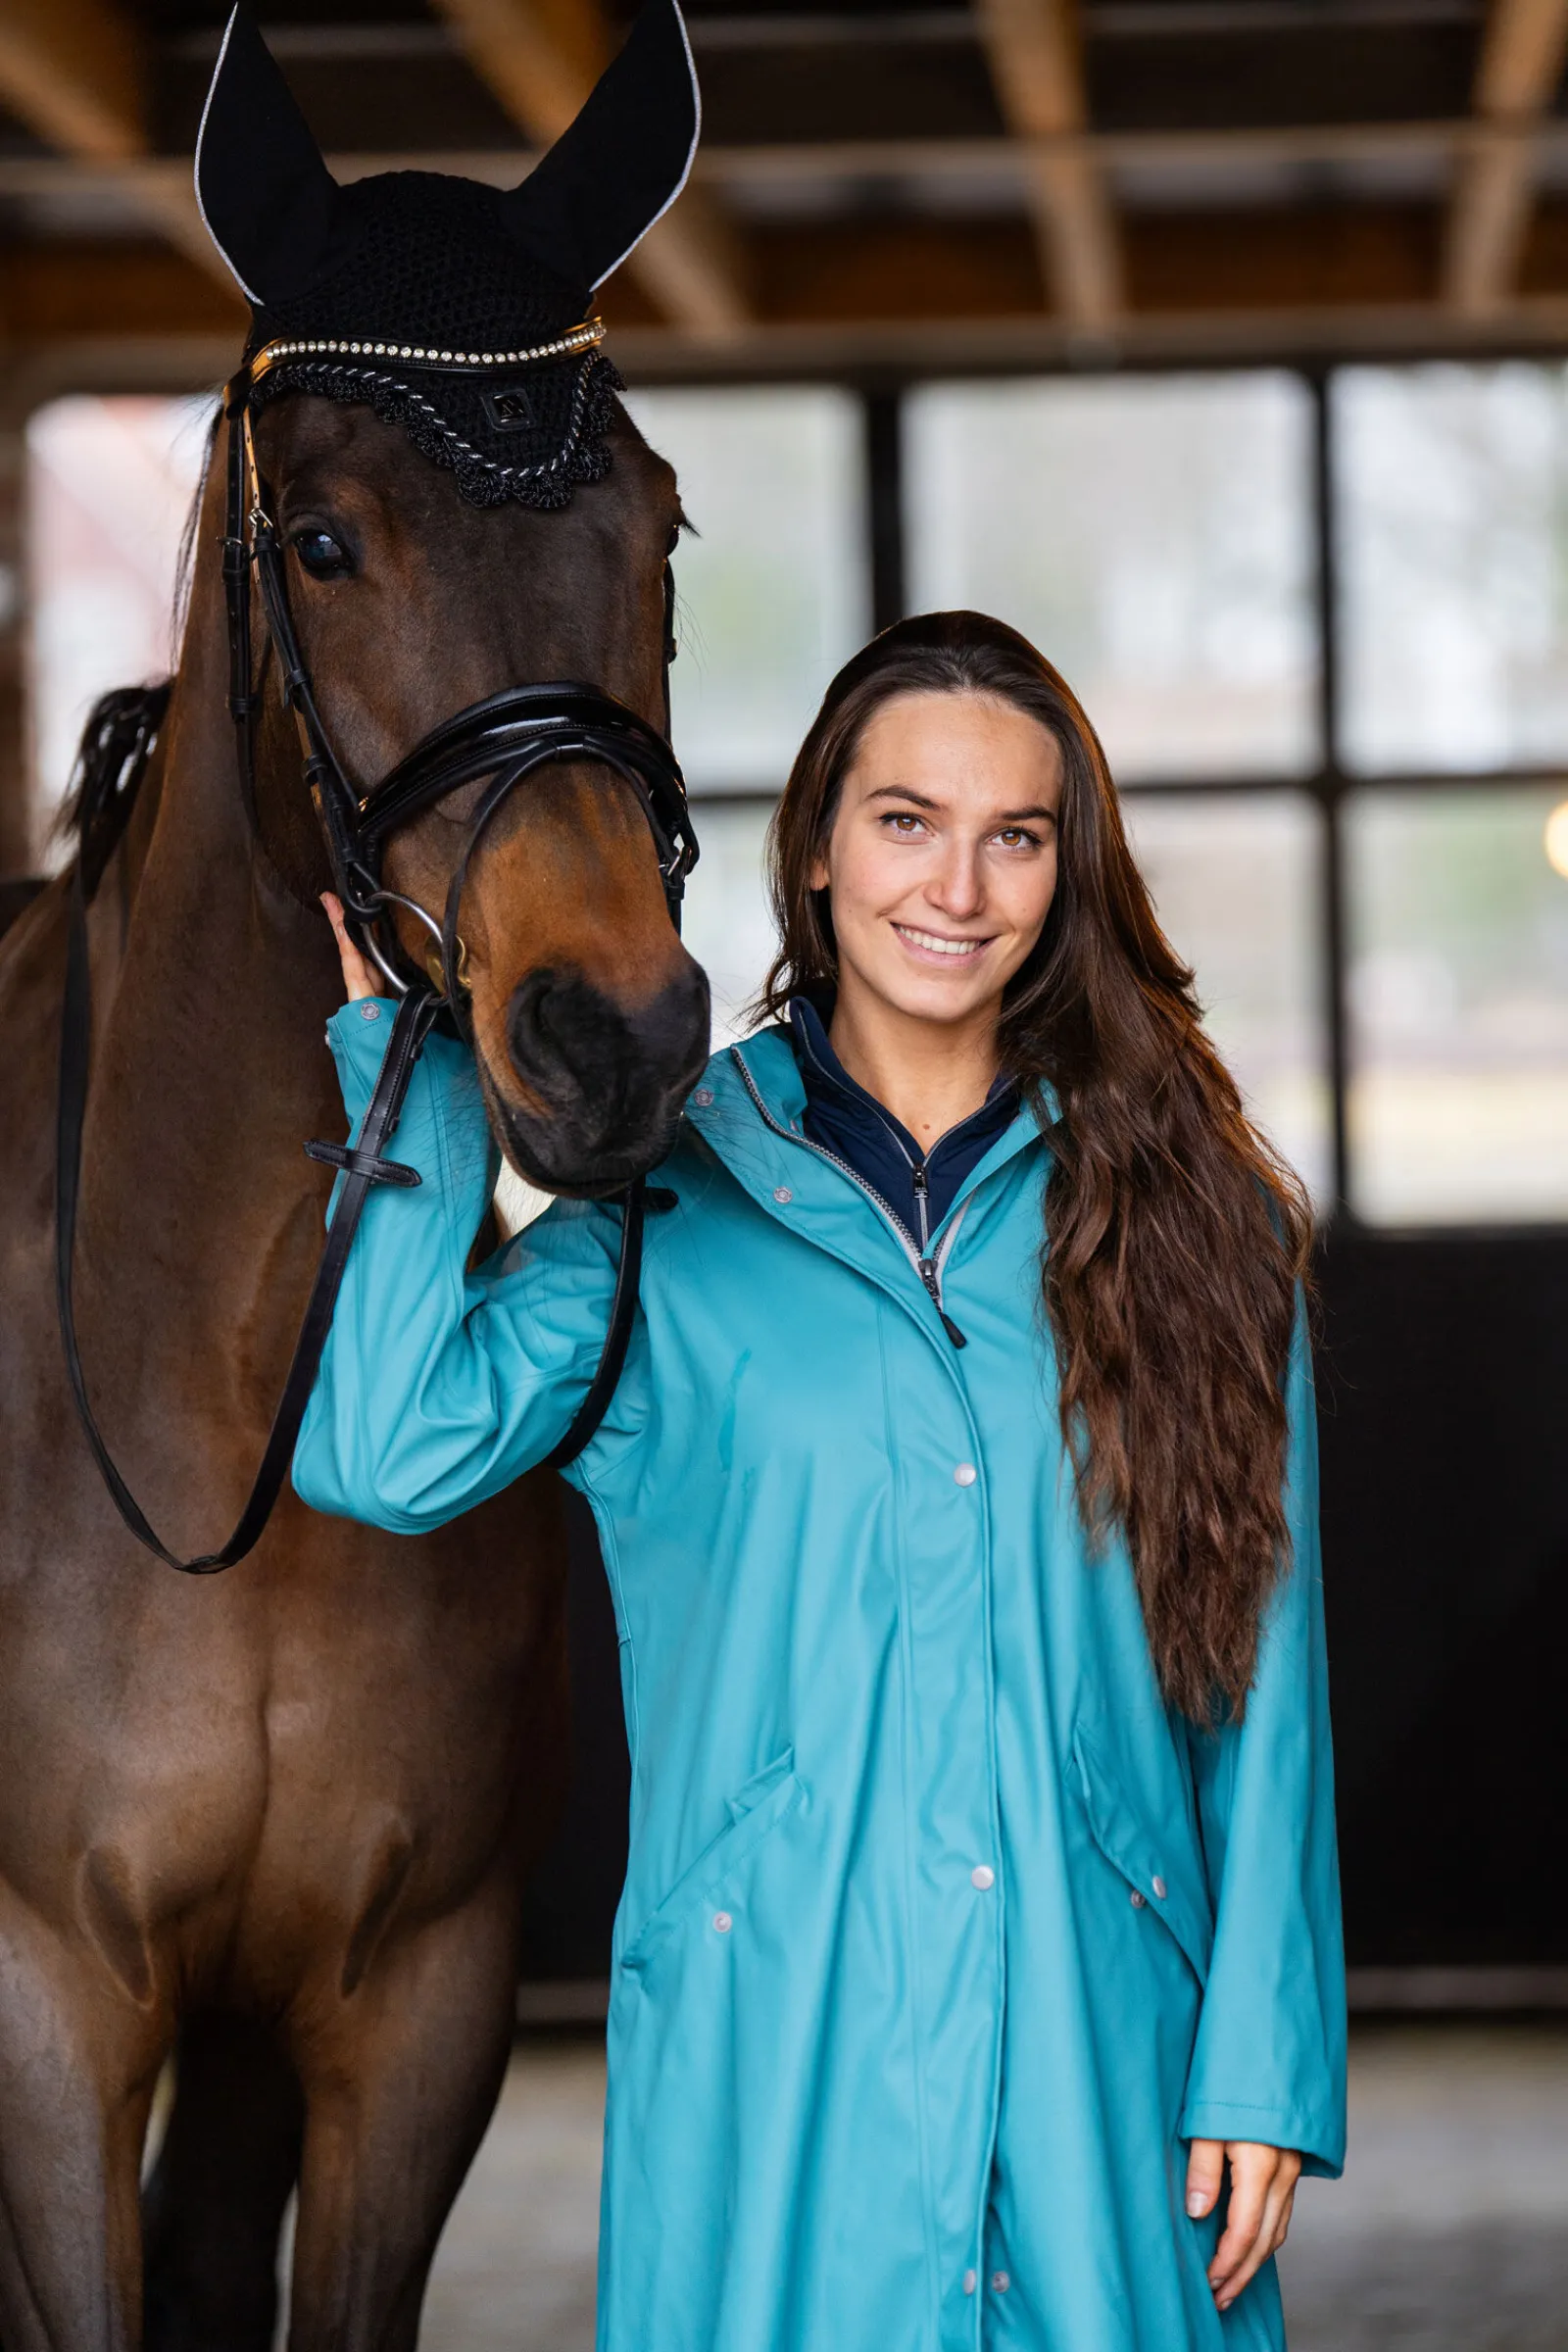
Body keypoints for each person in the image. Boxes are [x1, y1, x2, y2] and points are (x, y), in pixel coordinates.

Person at [296, 609, 1346, 2352]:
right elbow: (391, 1446)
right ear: (815, 845)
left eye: (1017, 835)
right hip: (773, 2041)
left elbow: (1262, 1673)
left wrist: (1267, 2055)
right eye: (905, 820)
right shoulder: (661, 1208)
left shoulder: (1197, 1224)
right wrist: (412, 1081)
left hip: (1110, 2052)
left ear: (1065, 875)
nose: (959, 885)